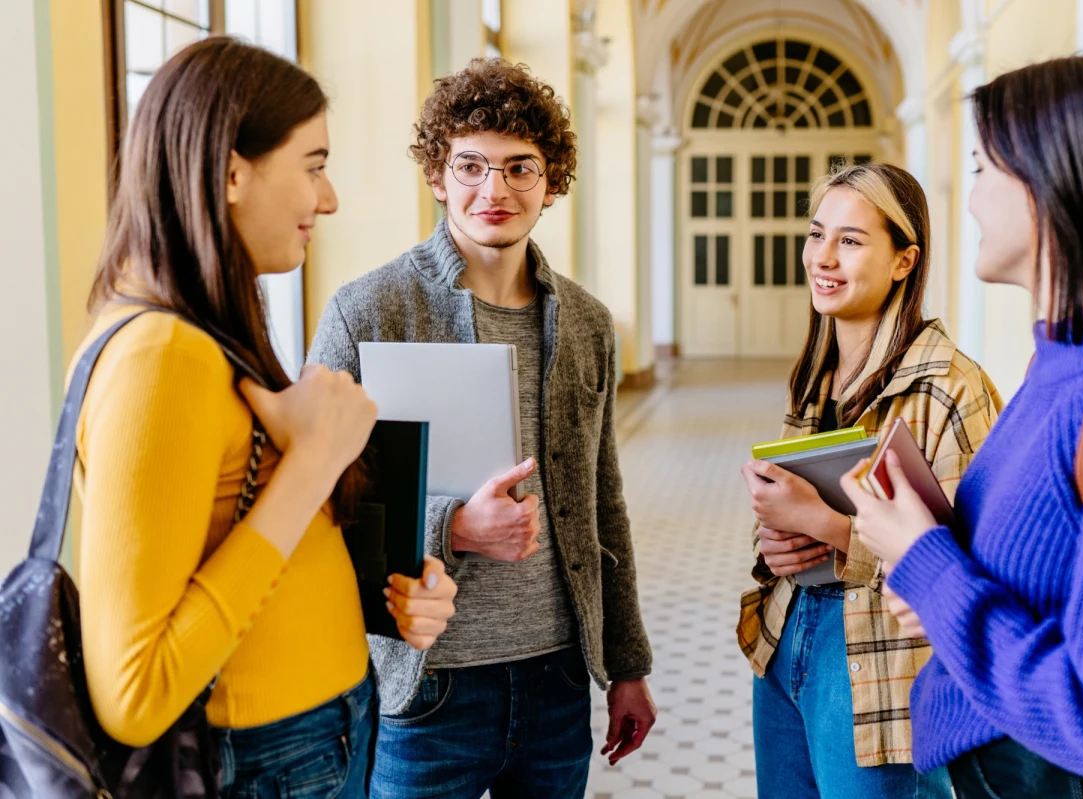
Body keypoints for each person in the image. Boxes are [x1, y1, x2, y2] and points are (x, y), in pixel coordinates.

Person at [75, 37, 457, 797]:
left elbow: (242, 548)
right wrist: (312, 465)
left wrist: (387, 589)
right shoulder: (161, 355)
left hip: (307, 740)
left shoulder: (205, 331)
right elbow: (135, 692)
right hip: (269, 757)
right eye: (313, 165)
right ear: (230, 172)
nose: (330, 197)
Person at [844, 53, 1083, 798]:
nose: (967, 201)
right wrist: (929, 570)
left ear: (1056, 181)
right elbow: (1043, 587)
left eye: (980, 168)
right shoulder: (1061, 363)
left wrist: (927, 561)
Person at [308, 58, 655, 799]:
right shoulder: (366, 312)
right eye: (469, 166)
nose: (492, 191)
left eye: (519, 169)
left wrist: (628, 664)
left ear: (552, 182)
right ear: (437, 175)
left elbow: (604, 502)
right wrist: (454, 527)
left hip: (559, 676)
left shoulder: (588, 323)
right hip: (426, 685)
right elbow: (315, 505)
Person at [737, 162, 1002, 798]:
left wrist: (821, 525)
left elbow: (964, 579)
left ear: (905, 261)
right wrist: (775, 546)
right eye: (816, 233)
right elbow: (791, 504)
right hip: (787, 636)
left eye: (851, 241)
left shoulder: (950, 387)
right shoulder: (817, 371)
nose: (822, 257)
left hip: (879, 663)